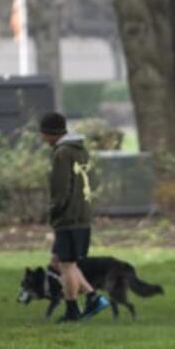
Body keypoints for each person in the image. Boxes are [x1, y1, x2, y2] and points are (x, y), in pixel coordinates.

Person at [39, 111, 109, 322]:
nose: (42, 139)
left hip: (68, 216)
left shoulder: (61, 153)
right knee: (60, 261)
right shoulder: (80, 150)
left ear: (50, 133)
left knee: (66, 265)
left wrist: (54, 211)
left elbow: (61, 188)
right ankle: (93, 298)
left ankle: (72, 311)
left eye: (43, 134)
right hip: (82, 213)